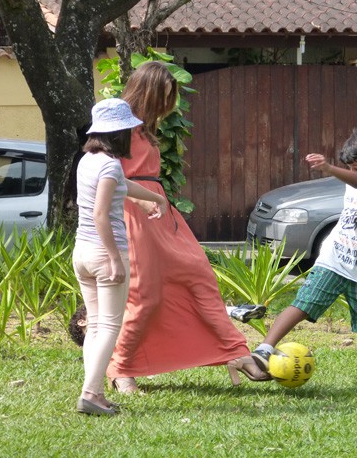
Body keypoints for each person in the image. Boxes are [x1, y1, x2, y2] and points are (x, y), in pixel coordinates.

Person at [106, 61, 270, 392]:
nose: (168, 107)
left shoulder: (146, 128)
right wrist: (137, 200)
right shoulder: (118, 126)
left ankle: (236, 352)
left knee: (199, 274)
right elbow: (105, 173)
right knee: (145, 295)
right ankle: (120, 369)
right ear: (148, 93)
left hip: (160, 212)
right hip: (132, 212)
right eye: (163, 98)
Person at [251, 127, 357, 392]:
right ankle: (264, 349)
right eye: (348, 168)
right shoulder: (355, 183)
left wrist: (329, 168)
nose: (352, 174)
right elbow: (356, 215)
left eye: (356, 168)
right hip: (333, 259)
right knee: (302, 304)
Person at [73, 98, 167, 416]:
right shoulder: (111, 164)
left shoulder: (88, 160)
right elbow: (102, 214)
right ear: (120, 133)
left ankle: (94, 392)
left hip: (82, 253)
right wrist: (114, 257)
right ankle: (90, 393)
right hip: (104, 253)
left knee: (96, 325)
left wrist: (151, 198)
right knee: (110, 326)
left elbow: (120, 186)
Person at [68, 303, 266, 348]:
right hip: (153, 323)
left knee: (188, 310)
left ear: (83, 320)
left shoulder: (107, 308)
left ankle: (231, 310)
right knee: (190, 313)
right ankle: (232, 310)